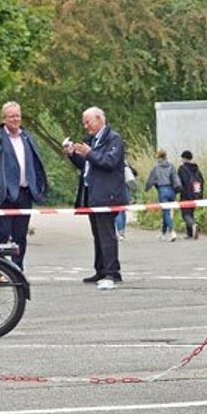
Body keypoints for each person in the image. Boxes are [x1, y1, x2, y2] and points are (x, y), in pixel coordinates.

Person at [64, 107, 127, 290]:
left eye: (88, 122)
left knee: (107, 234)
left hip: (108, 195)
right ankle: (100, 269)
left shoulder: (113, 138)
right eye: (84, 122)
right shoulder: (91, 140)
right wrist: (73, 155)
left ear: (99, 119)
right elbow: (87, 166)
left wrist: (89, 153)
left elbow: (109, 161)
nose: (85, 126)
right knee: (97, 235)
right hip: (92, 194)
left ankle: (112, 272)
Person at [0, 101, 48, 269]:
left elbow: (36, 162)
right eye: (11, 116)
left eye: (18, 115)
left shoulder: (28, 138)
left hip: (25, 192)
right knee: (2, 233)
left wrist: (38, 184)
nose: (15, 119)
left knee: (20, 235)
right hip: (5, 193)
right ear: (4, 119)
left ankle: (17, 268)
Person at [144, 149, 182, 241]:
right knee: (168, 212)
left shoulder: (156, 167)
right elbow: (175, 178)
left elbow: (151, 180)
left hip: (162, 190)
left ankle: (172, 232)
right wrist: (177, 189)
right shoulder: (171, 165)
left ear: (158, 156)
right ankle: (163, 233)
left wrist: (146, 188)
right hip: (171, 190)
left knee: (166, 212)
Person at [176, 150, 205, 239]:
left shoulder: (182, 169)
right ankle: (190, 233)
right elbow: (202, 181)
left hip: (186, 195)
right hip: (195, 195)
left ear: (184, 158)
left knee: (185, 214)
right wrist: (199, 194)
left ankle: (193, 225)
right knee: (191, 213)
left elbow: (180, 182)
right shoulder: (196, 169)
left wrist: (179, 191)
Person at [115, 161, 138, 241]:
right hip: (126, 191)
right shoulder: (126, 165)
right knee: (123, 212)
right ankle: (122, 232)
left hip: (117, 190)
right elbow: (134, 174)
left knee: (118, 212)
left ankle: (119, 231)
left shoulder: (114, 165)